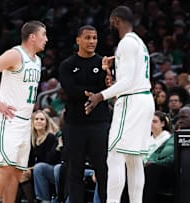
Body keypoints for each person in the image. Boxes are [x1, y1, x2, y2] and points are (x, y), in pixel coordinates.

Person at [85, 6, 155, 203]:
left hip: (132, 101)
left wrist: (100, 96)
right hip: (144, 99)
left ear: (115, 20)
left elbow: (127, 82)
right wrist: (111, 73)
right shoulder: (139, 43)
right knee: (134, 160)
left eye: (110, 21)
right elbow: (128, 78)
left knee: (115, 155)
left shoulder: (125, 44)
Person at [0, 20, 48, 203]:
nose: (46, 39)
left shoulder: (37, 60)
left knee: (17, 172)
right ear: (32, 37)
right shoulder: (15, 54)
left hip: (25, 121)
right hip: (8, 119)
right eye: (44, 35)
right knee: (5, 169)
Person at [58, 25, 112, 203]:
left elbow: (108, 88)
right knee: (74, 171)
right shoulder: (67, 65)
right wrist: (94, 95)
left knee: (103, 171)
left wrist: (100, 90)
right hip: (75, 124)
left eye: (95, 38)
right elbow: (70, 90)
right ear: (78, 40)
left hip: (100, 123)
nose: (92, 42)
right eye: (88, 38)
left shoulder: (103, 63)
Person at [143, 106, 190, 203]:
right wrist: (151, 160)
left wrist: (156, 163)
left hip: (174, 170)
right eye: (179, 118)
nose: (180, 121)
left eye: (184, 117)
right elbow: (157, 151)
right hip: (161, 167)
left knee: (153, 169)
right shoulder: (174, 136)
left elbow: (176, 157)